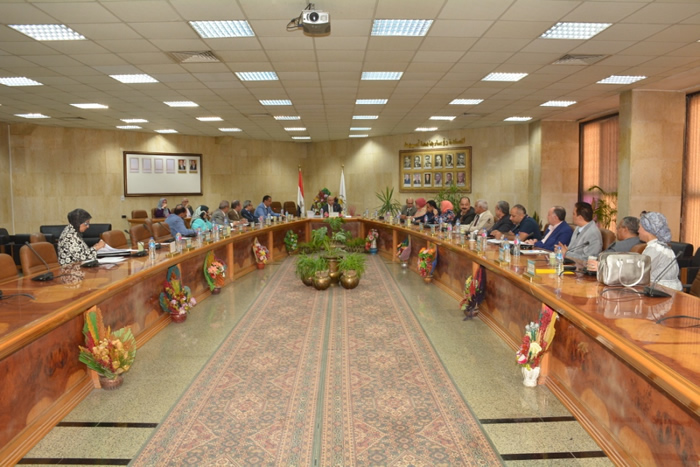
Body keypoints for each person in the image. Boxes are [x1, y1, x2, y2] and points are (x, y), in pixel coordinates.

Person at [638, 211, 682, 291]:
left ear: (647, 229)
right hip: (668, 290)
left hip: (662, 291)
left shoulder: (654, 249)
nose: (638, 231)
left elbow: (640, 274)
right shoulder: (660, 246)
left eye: (640, 227)